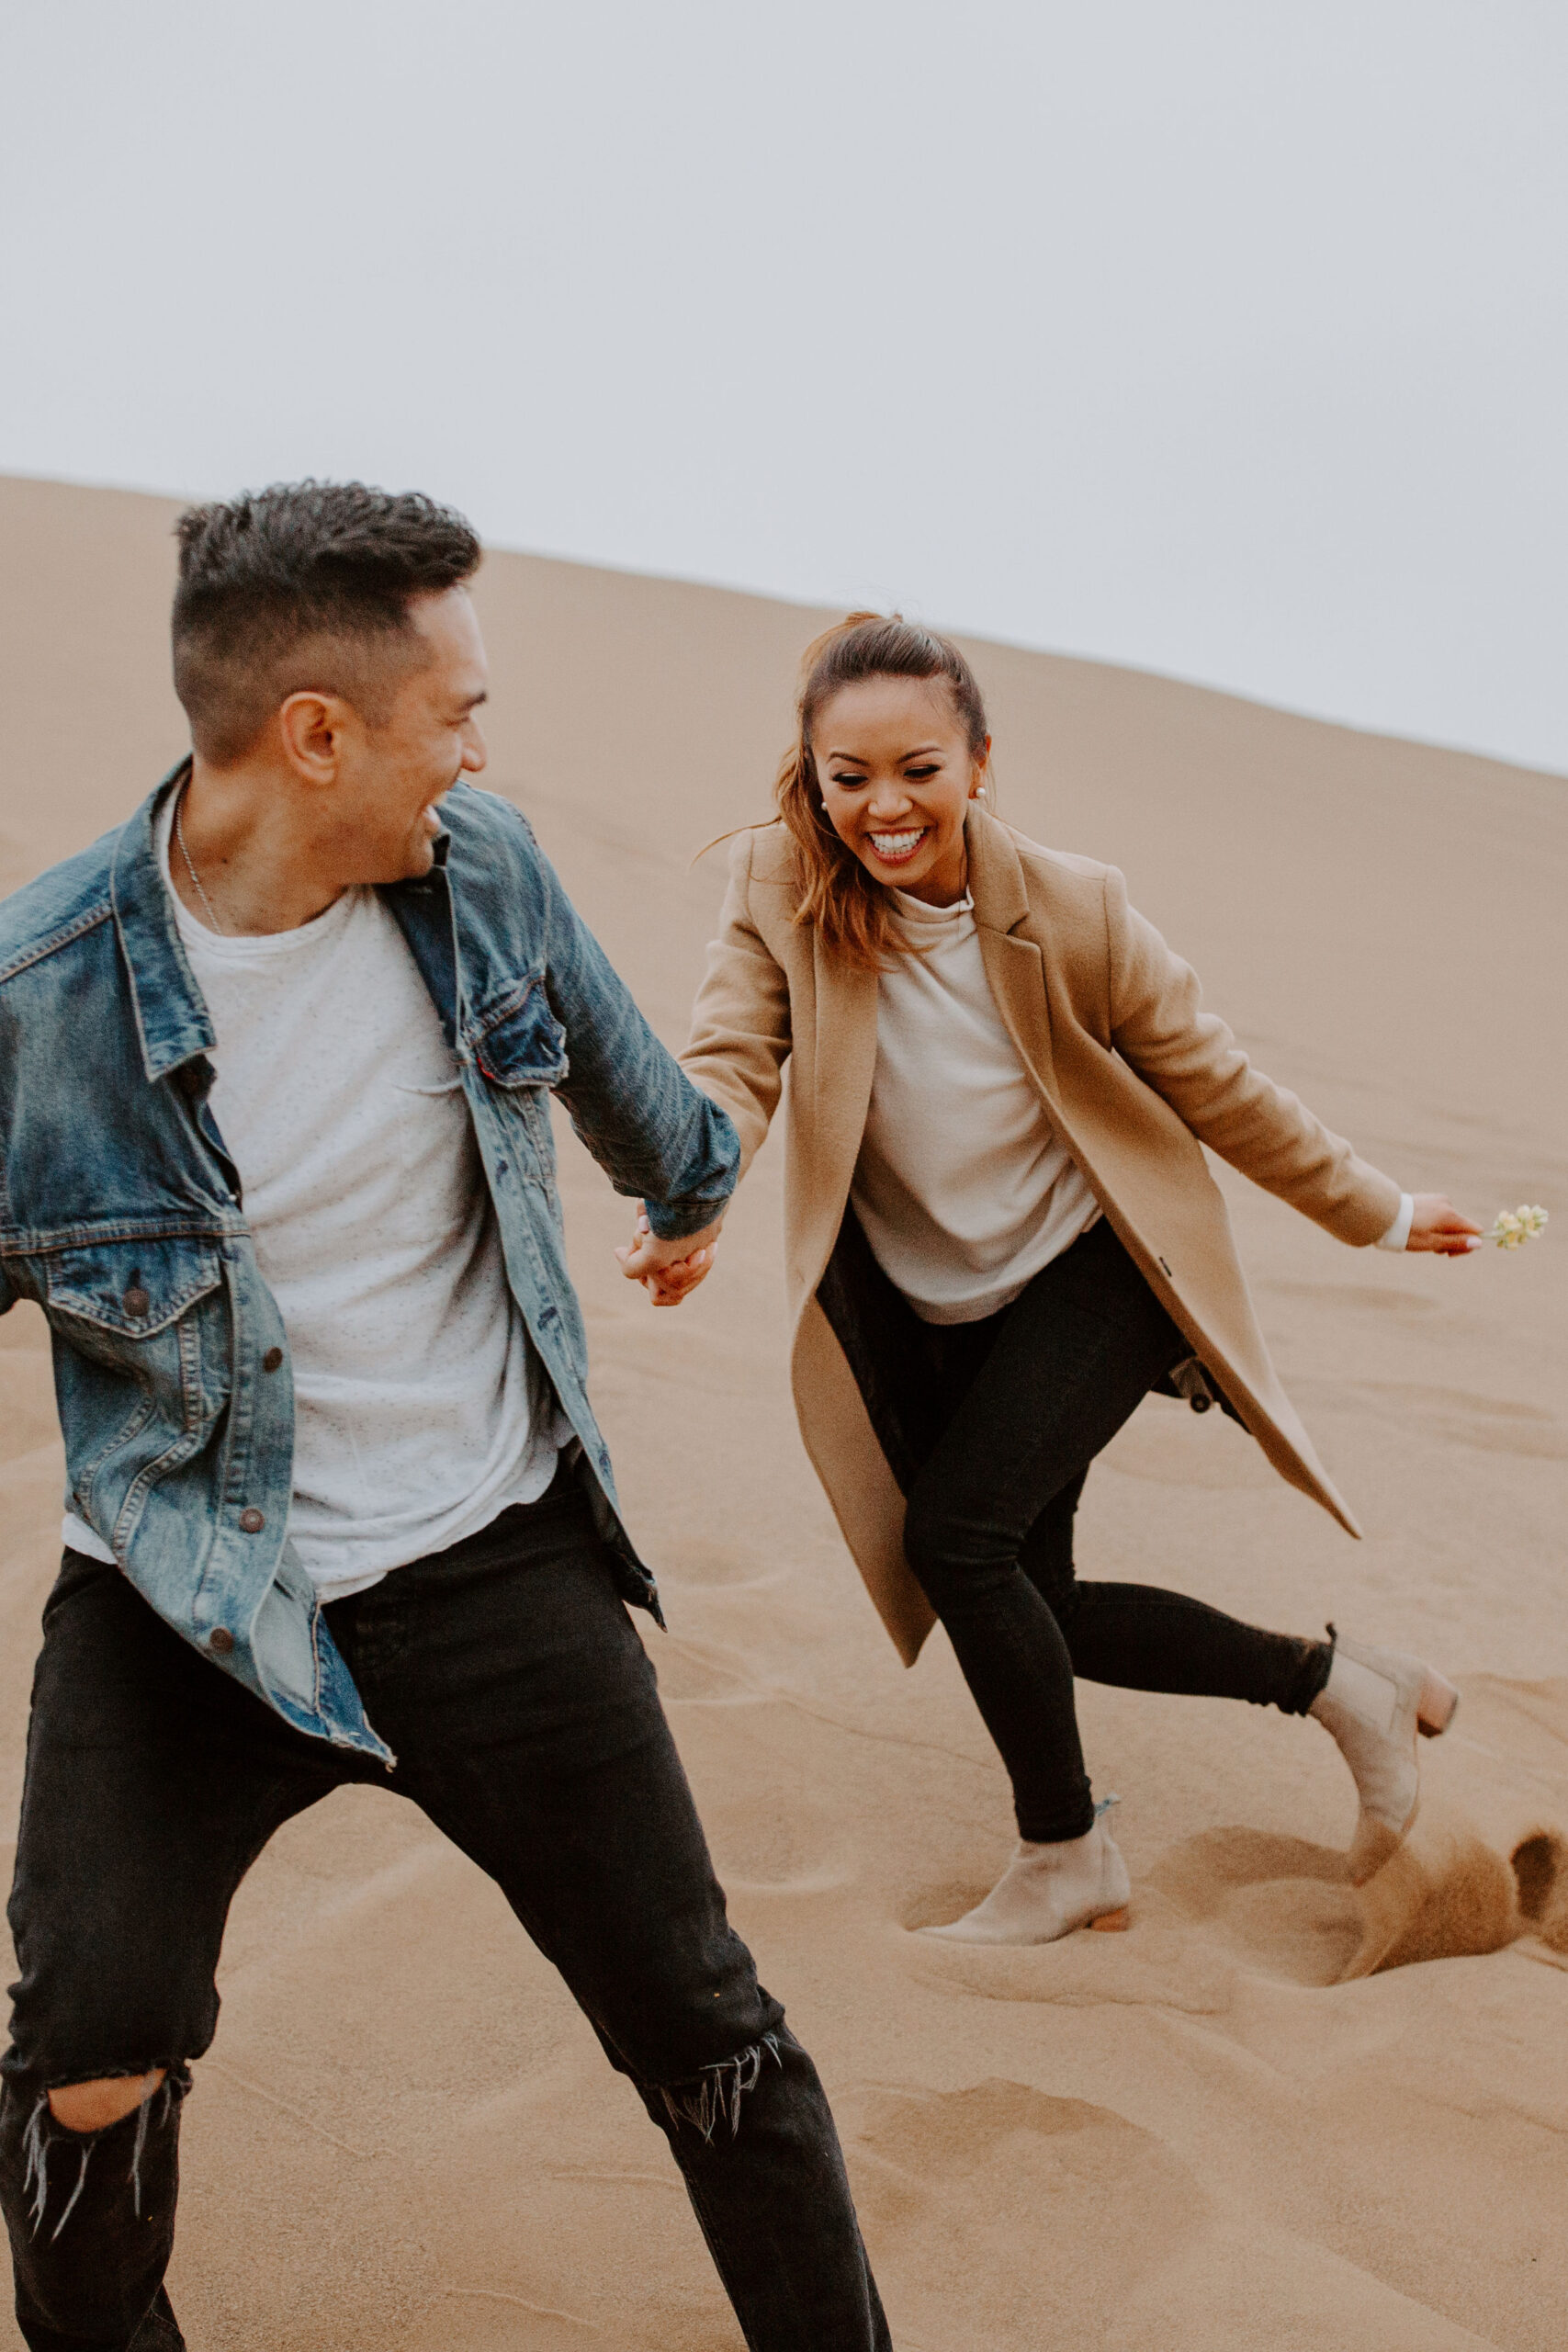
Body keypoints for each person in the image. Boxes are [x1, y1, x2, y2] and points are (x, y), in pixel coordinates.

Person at [0, 487, 890, 2352]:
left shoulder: (480, 870)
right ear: (316, 733)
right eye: (456, 709)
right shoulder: (39, 1001)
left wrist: (695, 1182)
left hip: (487, 1557)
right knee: (86, 2055)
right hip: (184, 1590)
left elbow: (648, 1112)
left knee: (710, 2034)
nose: (482, 748)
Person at [618, 613, 1477, 1948]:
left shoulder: (1076, 908)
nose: (884, 807)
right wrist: (692, 1194)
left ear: (978, 760)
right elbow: (732, 1065)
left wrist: (1378, 1213)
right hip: (930, 1305)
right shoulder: (778, 888)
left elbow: (1219, 1088)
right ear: (813, 771)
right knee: (1039, 1605)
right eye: (850, 778)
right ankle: (1340, 1685)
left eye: (918, 769)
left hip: (1092, 1274)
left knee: (955, 1540)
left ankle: (1065, 1850)